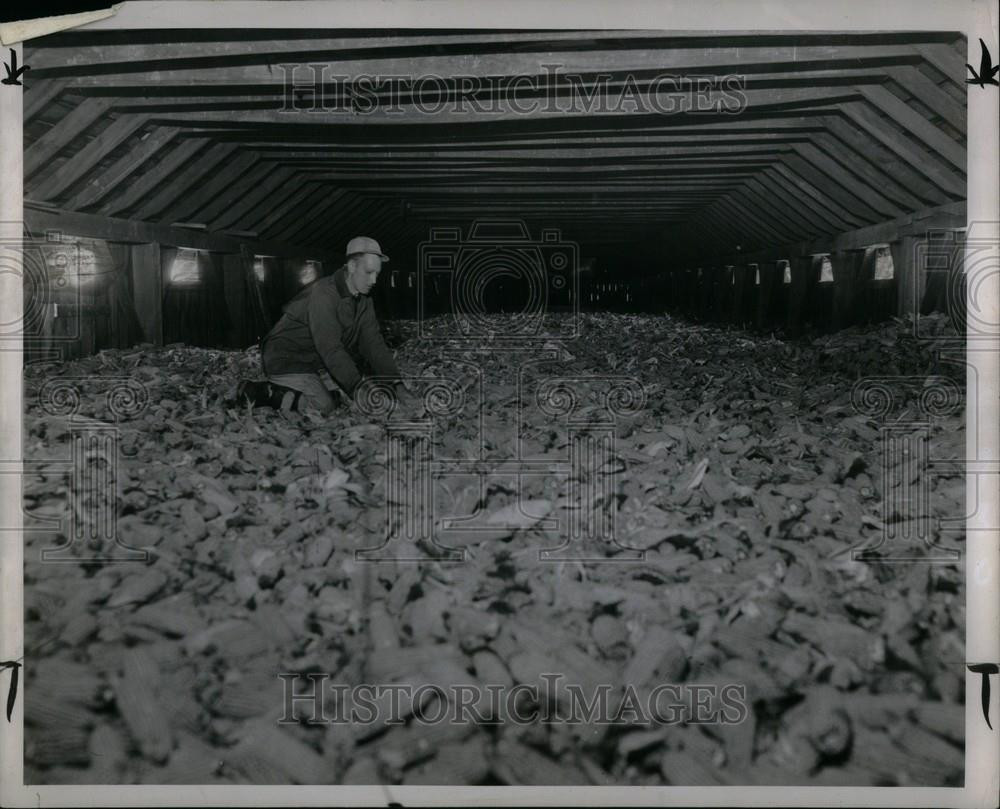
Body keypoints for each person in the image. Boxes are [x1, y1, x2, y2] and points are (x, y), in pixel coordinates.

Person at [236, 236, 403, 415]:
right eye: (369, 273)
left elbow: (373, 343)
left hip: (315, 361)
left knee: (363, 395)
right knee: (324, 406)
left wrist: (396, 384)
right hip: (287, 359)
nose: (374, 281)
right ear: (352, 266)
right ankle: (257, 391)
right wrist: (356, 388)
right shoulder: (324, 294)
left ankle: (316, 389)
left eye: (377, 274)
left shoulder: (364, 299)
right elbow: (331, 349)